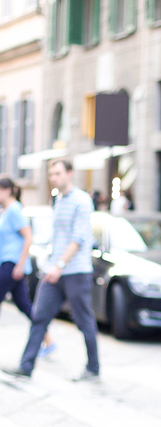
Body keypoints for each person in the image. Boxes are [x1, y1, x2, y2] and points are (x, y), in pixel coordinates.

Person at [3, 159, 99, 382]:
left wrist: (60, 265)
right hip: (53, 271)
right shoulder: (58, 200)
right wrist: (51, 264)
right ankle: (26, 366)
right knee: (39, 317)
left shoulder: (82, 200)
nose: (53, 178)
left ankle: (93, 367)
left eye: (57, 173)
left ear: (69, 174)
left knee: (84, 319)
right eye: (51, 174)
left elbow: (78, 238)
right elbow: (58, 237)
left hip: (75, 271)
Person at [0, 176, 56, 356]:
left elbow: (28, 236)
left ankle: (47, 340)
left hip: (12, 265)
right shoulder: (7, 210)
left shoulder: (14, 209)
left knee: (23, 304)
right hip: (9, 264)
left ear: (7, 190)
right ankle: (48, 340)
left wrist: (20, 264)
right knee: (24, 304)